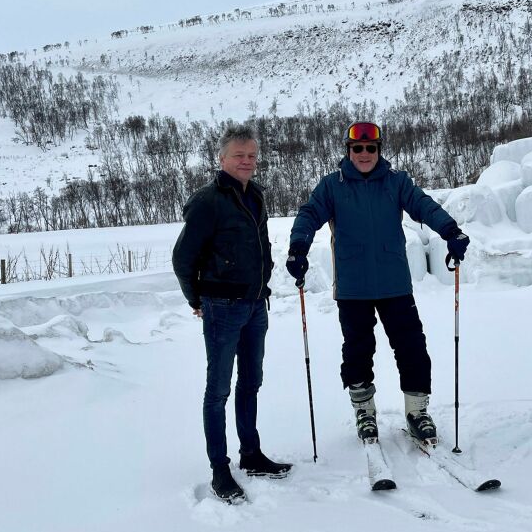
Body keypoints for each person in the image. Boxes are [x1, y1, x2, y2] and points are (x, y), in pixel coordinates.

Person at [286, 122, 470, 446]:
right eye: (358, 148)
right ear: (348, 151)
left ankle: (417, 411)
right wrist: (297, 248)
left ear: (379, 150)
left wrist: (451, 231)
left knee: (412, 347)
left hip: (394, 283)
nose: (365, 154)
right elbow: (309, 214)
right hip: (353, 287)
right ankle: (364, 412)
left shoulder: (396, 182)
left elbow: (424, 206)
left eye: (371, 148)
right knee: (358, 352)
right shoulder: (332, 186)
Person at [172, 125, 291, 503]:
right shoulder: (208, 201)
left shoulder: (255, 195)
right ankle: (219, 470)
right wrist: (198, 300)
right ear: (221, 159)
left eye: (252, 156)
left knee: (251, 382)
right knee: (218, 390)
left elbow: (260, 248)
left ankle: (251, 455)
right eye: (239, 155)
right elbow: (182, 258)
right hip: (222, 308)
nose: (247, 162)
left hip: (256, 305)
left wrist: (263, 282)